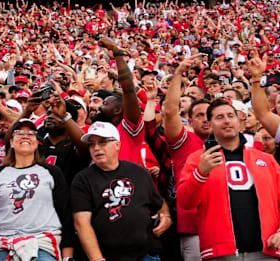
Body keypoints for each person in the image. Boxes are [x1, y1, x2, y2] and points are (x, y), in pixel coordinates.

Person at [177, 99, 280, 260]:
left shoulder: (266, 160)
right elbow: (185, 202)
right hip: (220, 252)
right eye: (219, 117)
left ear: (239, 121)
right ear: (210, 124)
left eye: (230, 115)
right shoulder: (198, 160)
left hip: (267, 250)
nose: (226, 120)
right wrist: (201, 173)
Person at [72, 121, 171, 261]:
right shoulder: (82, 180)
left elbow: (159, 204)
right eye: (92, 144)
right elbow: (81, 223)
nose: (96, 148)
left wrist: (165, 217)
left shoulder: (139, 172)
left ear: (117, 145)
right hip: (106, 257)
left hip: (146, 255)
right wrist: (97, 259)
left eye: (102, 142)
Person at [0, 118, 73, 261]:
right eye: (19, 133)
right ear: (11, 142)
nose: (25, 136)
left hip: (43, 242)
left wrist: (68, 256)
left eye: (30, 133)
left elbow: (65, 215)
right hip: (4, 244)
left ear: (36, 142)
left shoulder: (52, 172)